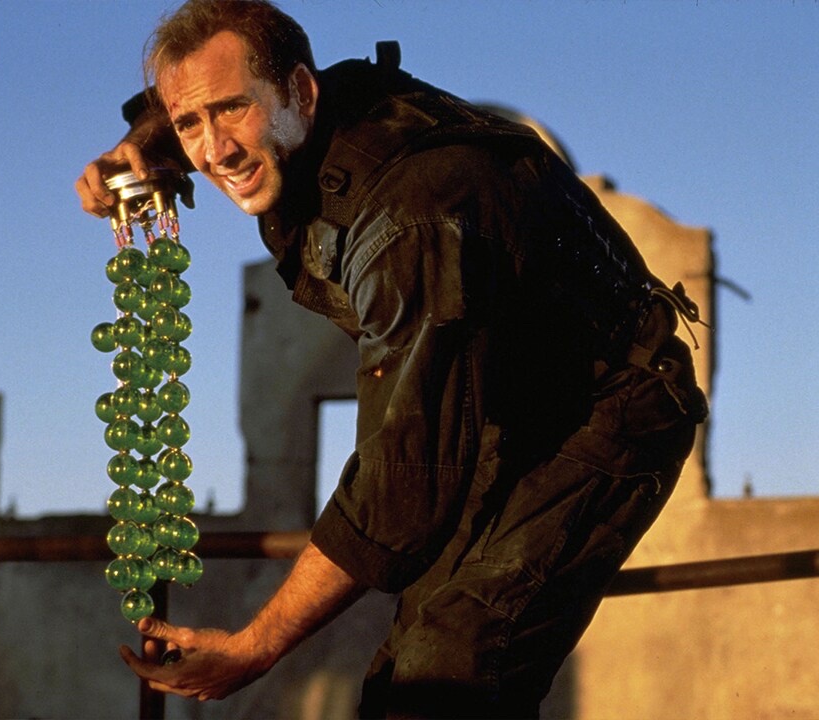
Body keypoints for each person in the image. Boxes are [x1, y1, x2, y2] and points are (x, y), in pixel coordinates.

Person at [75, 1, 708, 717]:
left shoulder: (411, 221)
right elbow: (203, 100)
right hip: (492, 399)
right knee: (398, 685)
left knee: (453, 667)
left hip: (606, 407)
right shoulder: (317, 113)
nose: (215, 150)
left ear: (301, 92)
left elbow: (403, 481)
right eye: (191, 124)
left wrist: (257, 644)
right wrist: (143, 144)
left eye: (233, 111)